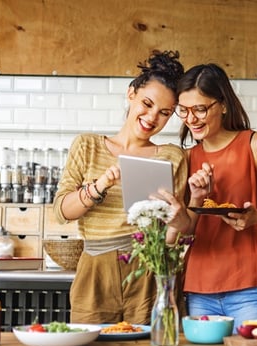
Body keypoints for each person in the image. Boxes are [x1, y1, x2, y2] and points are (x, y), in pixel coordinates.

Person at [53, 50, 189, 324]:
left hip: (149, 269)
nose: (152, 117)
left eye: (164, 113)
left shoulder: (173, 156)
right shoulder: (87, 146)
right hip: (95, 268)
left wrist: (177, 218)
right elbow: (61, 212)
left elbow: (176, 231)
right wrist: (100, 185)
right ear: (131, 94)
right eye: (147, 104)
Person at [176, 63, 257, 330]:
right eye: (184, 110)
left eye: (200, 109)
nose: (191, 119)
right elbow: (186, 227)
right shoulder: (187, 158)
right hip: (200, 286)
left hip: (253, 284)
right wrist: (196, 199)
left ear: (222, 105)